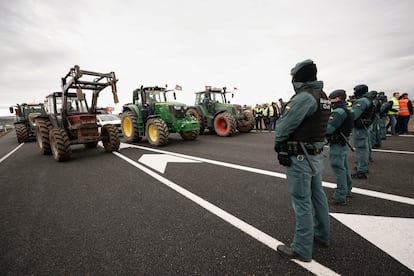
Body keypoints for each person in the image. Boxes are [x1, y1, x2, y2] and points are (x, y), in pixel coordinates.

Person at [274, 59, 330, 262]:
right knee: (318, 196)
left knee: (302, 201)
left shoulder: (303, 98)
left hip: (300, 157)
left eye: (293, 76)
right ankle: (322, 235)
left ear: (299, 77)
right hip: (314, 155)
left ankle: (301, 249)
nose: (292, 80)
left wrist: (279, 144)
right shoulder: (322, 96)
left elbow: (282, 128)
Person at [326, 89, 354, 205]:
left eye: (331, 99)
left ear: (337, 98)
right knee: (344, 167)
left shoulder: (338, 112)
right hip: (343, 141)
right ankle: (347, 189)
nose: (330, 101)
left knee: (338, 168)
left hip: (337, 142)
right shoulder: (349, 109)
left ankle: (340, 195)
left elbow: (329, 129)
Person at [351, 84, 374, 179]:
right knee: (364, 147)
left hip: (360, 127)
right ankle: (363, 167)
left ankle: (362, 170)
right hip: (365, 125)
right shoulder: (368, 99)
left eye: (355, 90)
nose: (354, 92)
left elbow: (353, 115)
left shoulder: (361, 101)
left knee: (360, 149)